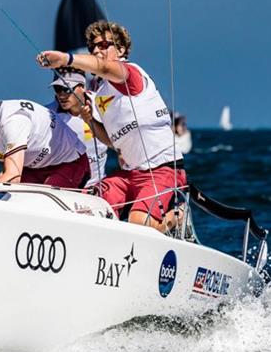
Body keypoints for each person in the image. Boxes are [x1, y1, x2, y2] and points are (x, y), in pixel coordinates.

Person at [36, 20, 185, 233]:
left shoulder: (130, 73)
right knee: (88, 208)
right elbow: (112, 141)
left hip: (162, 169)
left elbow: (104, 67)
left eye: (104, 45)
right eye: (93, 47)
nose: (97, 50)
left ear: (121, 49)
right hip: (129, 173)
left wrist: (65, 58)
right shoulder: (102, 94)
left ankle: (179, 215)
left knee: (139, 224)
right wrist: (89, 120)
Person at [0, 98, 90, 188]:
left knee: (40, 207)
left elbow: (13, 177)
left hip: (69, 162)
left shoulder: (11, 122)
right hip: (32, 167)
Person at [44, 67, 108, 187]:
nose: (62, 95)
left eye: (67, 89)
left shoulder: (102, 103)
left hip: (97, 185)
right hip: (65, 186)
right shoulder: (47, 114)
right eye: (58, 89)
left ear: (82, 87)